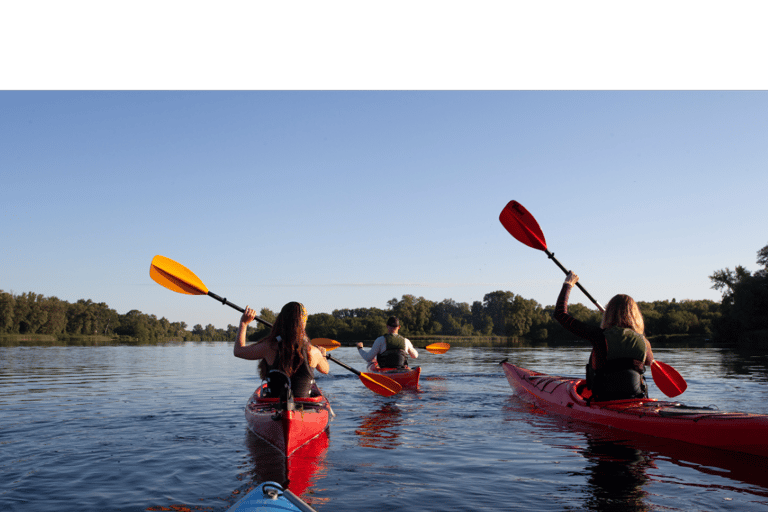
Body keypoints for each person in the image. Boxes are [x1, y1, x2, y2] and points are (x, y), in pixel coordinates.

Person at [554, 271, 654, 402]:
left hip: (604, 400)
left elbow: (560, 314)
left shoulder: (598, 336)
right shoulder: (644, 342)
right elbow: (649, 362)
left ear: (608, 314)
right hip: (636, 400)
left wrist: (568, 284)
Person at [234, 301, 329, 398]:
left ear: (281, 320)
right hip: (304, 406)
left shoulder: (269, 347)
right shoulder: (313, 352)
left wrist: (244, 323)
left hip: (275, 406)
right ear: (303, 323)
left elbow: (238, 351)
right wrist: (323, 355)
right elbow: (325, 370)